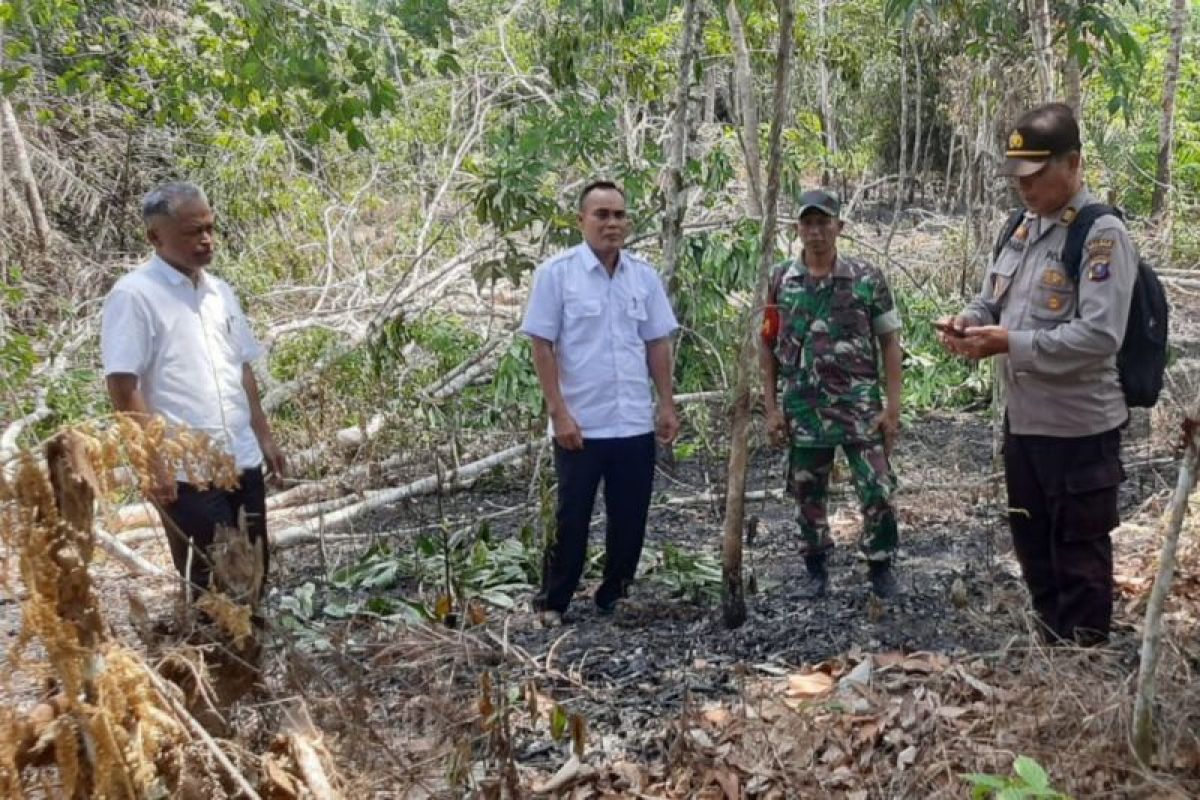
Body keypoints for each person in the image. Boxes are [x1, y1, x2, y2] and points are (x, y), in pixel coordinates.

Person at [939, 103, 1136, 645]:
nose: (1024, 188)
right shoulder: (1019, 230)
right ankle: (1052, 653)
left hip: (1078, 429)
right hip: (1024, 425)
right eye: (1017, 177)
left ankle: (1084, 666)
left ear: (1072, 164)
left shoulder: (1101, 236)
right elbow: (991, 302)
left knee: (1078, 554)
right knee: (1033, 548)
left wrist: (1010, 343)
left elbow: (1100, 336)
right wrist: (970, 324)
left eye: (1036, 175)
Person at [101, 181, 286, 601]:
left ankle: (251, 660)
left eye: (209, 228)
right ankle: (212, 661)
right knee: (210, 587)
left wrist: (265, 437)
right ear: (155, 236)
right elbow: (123, 384)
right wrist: (153, 462)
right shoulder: (135, 296)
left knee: (254, 574)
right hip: (186, 473)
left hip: (241, 457)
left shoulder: (220, 293)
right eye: (192, 232)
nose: (205, 240)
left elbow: (241, 368)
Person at [521, 180, 680, 625]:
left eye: (619, 215)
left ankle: (616, 592)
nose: (612, 223)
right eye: (601, 215)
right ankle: (554, 600)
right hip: (581, 423)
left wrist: (666, 404)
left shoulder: (643, 277)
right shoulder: (557, 274)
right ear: (581, 220)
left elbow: (657, 343)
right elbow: (542, 345)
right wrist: (559, 412)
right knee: (572, 514)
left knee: (630, 515)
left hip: (631, 420)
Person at [761, 189, 904, 599]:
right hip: (804, 409)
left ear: (839, 227)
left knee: (877, 488)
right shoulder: (780, 281)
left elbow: (890, 343)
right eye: (808, 223)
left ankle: (880, 566)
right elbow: (767, 346)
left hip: (860, 409)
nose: (816, 232)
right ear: (797, 229)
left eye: (824, 223)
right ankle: (815, 567)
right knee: (807, 491)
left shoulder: (866, 278)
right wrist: (771, 409)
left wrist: (892, 408)